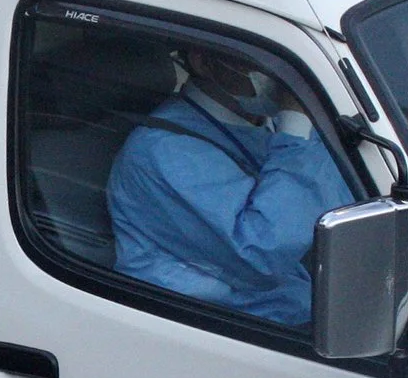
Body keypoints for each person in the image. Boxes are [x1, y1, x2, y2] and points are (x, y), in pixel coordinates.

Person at [105, 46, 353, 328]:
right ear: (203, 62)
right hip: (222, 329)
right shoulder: (163, 150)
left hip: (307, 309)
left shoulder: (268, 123)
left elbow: (347, 206)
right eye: (257, 61)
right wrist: (295, 125)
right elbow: (260, 255)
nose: (277, 76)